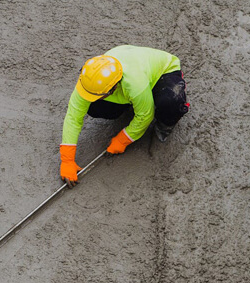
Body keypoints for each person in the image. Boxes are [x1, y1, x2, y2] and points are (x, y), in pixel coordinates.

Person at [59, 45, 190, 187]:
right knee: (94, 106)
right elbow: (73, 116)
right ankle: (133, 103)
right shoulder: (90, 80)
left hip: (162, 72)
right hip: (130, 76)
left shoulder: (135, 83)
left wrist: (123, 139)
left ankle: (166, 123)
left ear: (113, 87)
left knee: (170, 102)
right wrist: (67, 159)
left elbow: (145, 115)